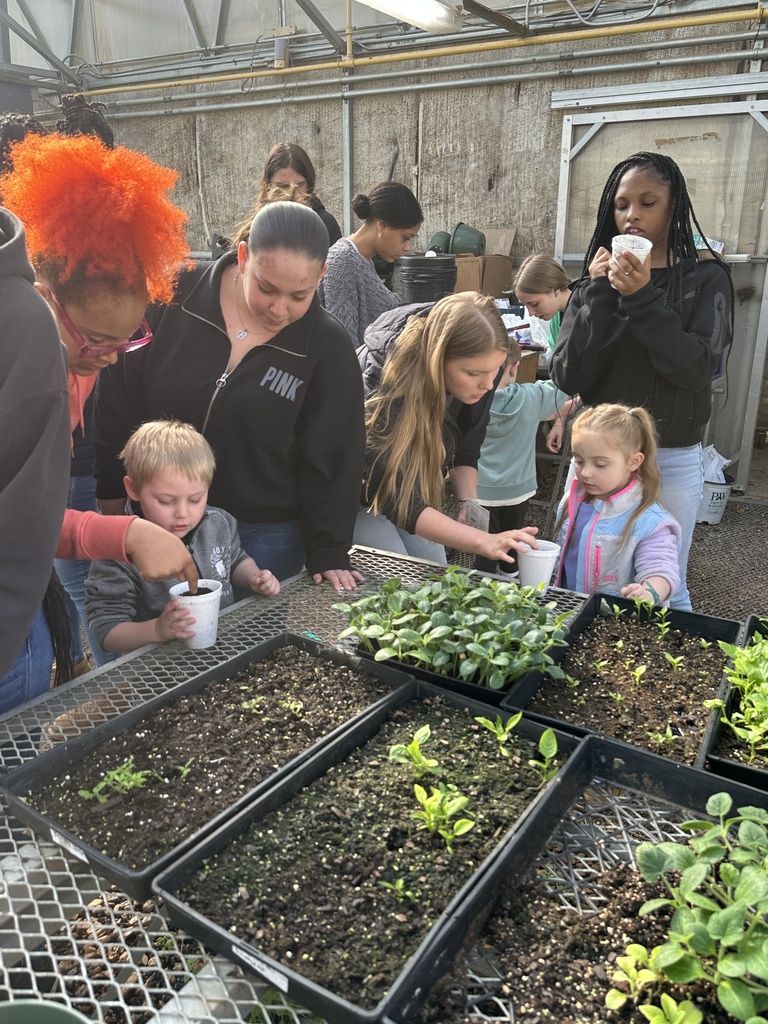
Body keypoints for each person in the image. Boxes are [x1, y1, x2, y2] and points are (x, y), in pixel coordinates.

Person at [94, 200, 366, 591]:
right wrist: (109, 487)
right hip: (157, 515)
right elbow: (117, 395)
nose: (279, 308)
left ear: (321, 275)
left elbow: (337, 455)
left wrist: (329, 548)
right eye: (266, 288)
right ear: (242, 257)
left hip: (264, 532)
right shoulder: (174, 293)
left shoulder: (327, 347)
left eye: (299, 295)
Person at [1, 129, 194, 668]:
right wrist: (122, 532)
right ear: (44, 300)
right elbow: (21, 525)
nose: (110, 359)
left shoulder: (76, 359)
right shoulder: (32, 364)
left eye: (127, 341)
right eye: (97, 341)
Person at [550, 152, 733, 611]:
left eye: (648, 202)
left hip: (668, 457)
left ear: (673, 208)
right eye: (622, 204)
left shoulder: (705, 279)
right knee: (577, 568)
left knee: (663, 581)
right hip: (595, 458)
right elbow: (568, 375)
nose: (632, 214)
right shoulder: (591, 287)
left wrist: (643, 298)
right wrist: (600, 294)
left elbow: (696, 369)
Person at [356, 292, 540, 566]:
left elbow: (467, 446)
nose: (488, 385)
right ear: (437, 358)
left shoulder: (483, 372)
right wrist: (482, 541)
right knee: (399, 575)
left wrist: (468, 503)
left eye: (495, 371)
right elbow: (393, 495)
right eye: (473, 374)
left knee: (436, 568)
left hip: (408, 491)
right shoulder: (384, 383)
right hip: (351, 495)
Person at [86, 420, 279, 654]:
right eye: (166, 501)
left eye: (196, 499)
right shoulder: (117, 551)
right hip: (159, 668)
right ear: (133, 488)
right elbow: (105, 631)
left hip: (225, 650)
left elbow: (236, 560)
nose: (183, 513)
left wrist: (253, 577)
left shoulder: (219, 522)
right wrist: (156, 630)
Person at [553, 404, 681, 605]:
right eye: (579, 461)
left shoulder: (649, 521)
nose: (586, 472)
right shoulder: (572, 500)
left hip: (615, 619)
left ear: (634, 462)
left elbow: (661, 568)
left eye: (600, 464)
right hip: (566, 607)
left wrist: (649, 592)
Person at [475, 338, 575, 578]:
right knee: (513, 538)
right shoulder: (532, 396)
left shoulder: (471, 399)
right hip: (518, 490)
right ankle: (512, 578)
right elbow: (564, 385)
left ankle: (480, 585)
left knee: (484, 545)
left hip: (480, 491)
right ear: (515, 367)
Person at [319, 181, 422, 346]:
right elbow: (343, 347)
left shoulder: (363, 260)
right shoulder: (342, 262)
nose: (408, 247)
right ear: (382, 225)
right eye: (405, 238)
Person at [259, 142, 341, 245]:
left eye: (299, 185)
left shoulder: (325, 225)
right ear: (268, 185)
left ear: (309, 183)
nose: (290, 193)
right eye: (282, 186)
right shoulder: (258, 224)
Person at [512, 254, 571, 354]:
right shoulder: (556, 319)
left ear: (554, 290)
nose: (531, 313)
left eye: (534, 304)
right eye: (526, 306)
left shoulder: (585, 315)